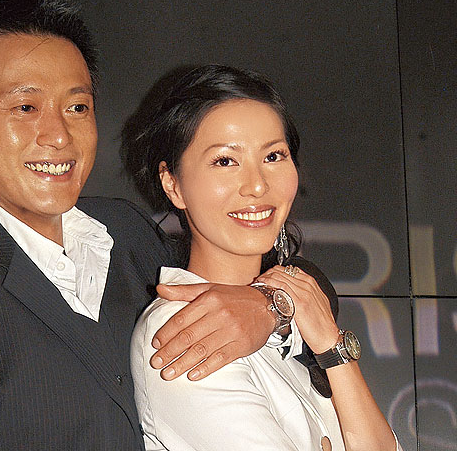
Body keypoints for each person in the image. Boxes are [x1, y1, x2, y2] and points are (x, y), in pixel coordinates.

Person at [0, 0, 284, 450]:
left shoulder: (126, 231)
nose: (59, 135)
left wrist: (271, 305)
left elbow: (270, 279)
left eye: (77, 108)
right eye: (25, 108)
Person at [123, 65, 403, 450]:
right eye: (225, 161)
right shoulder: (184, 330)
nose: (257, 185)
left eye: (273, 156)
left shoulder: (294, 320)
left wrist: (330, 344)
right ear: (173, 185)